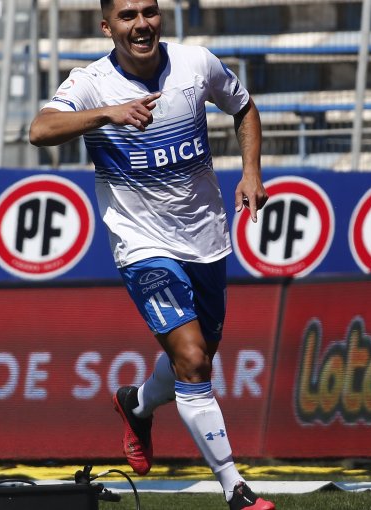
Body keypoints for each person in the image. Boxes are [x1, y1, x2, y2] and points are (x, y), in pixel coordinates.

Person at [29, 1, 273, 509]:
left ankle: (137, 405)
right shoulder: (91, 83)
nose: (140, 24)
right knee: (190, 358)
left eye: (148, 12)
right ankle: (236, 489)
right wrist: (107, 114)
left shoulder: (196, 63)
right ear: (107, 26)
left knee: (199, 358)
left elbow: (244, 108)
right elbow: (40, 130)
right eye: (126, 16)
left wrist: (251, 171)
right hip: (140, 243)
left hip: (206, 238)